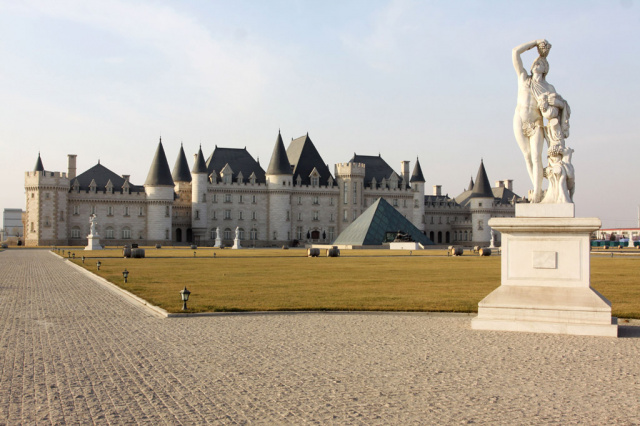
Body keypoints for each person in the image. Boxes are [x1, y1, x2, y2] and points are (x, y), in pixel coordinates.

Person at [512, 39, 564, 202]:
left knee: (536, 156)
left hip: (536, 123)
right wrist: (535, 43)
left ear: (546, 68)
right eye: (536, 61)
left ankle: (536, 191)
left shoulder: (549, 88)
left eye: (541, 62)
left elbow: (557, 108)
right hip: (520, 120)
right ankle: (537, 188)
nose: (537, 63)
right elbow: (515, 52)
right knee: (527, 156)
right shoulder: (523, 78)